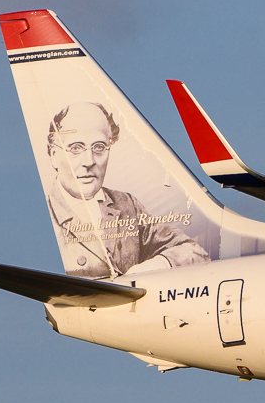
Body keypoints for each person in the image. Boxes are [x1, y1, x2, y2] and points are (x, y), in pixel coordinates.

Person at [45, 102, 209, 278]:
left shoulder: (126, 204)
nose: (89, 161)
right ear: (54, 155)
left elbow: (194, 251)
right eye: (76, 148)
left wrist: (160, 264)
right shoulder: (46, 213)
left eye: (99, 147)